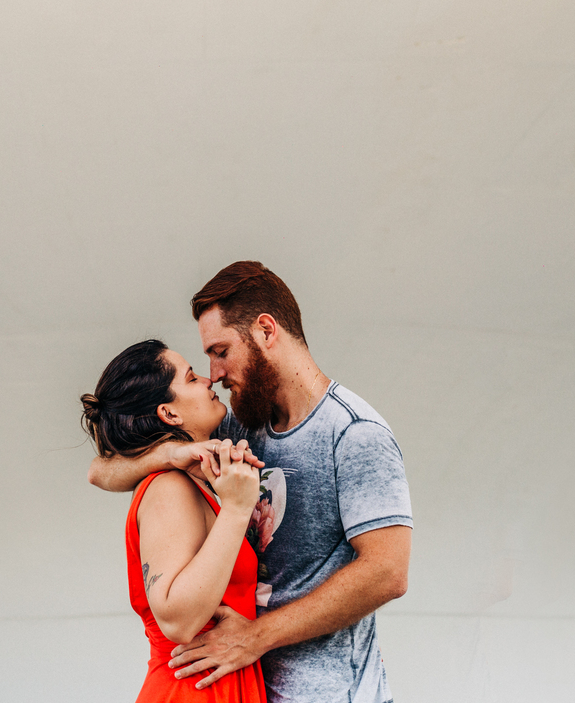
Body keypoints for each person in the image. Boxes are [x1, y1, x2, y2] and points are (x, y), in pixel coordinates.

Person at [89, 262, 413, 703]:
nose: (214, 374)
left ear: (265, 331)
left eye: (220, 351)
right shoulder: (240, 427)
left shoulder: (354, 434)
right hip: (245, 686)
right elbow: (101, 470)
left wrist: (255, 638)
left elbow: (387, 573)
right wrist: (169, 452)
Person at [81, 338, 269, 702]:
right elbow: (178, 620)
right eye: (191, 378)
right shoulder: (170, 488)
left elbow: (98, 471)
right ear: (169, 413)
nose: (208, 380)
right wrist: (235, 509)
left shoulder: (194, 480)